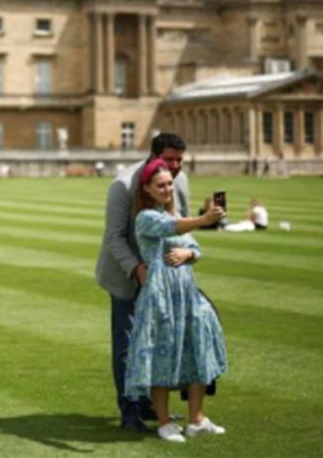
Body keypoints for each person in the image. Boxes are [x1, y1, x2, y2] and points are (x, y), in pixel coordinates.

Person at [94, 132, 196, 434]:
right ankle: (129, 410)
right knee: (128, 344)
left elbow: (181, 225)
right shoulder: (124, 185)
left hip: (162, 277)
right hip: (125, 275)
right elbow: (114, 237)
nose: (175, 166)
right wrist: (136, 268)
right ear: (153, 156)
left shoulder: (181, 180)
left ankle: (151, 405)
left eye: (179, 160)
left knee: (159, 342)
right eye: (169, 159)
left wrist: (187, 253)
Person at [124, 157, 227, 443]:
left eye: (170, 184)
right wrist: (204, 220)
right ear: (146, 188)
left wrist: (188, 253)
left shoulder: (173, 214)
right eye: (161, 185)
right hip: (160, 294)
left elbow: (195, 247)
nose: (168, 189)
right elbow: (171, 228)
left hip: (186, 292)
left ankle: (196, 419)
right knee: (162, 355)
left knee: (197, 349)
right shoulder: (145, 217)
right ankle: (164, 422)